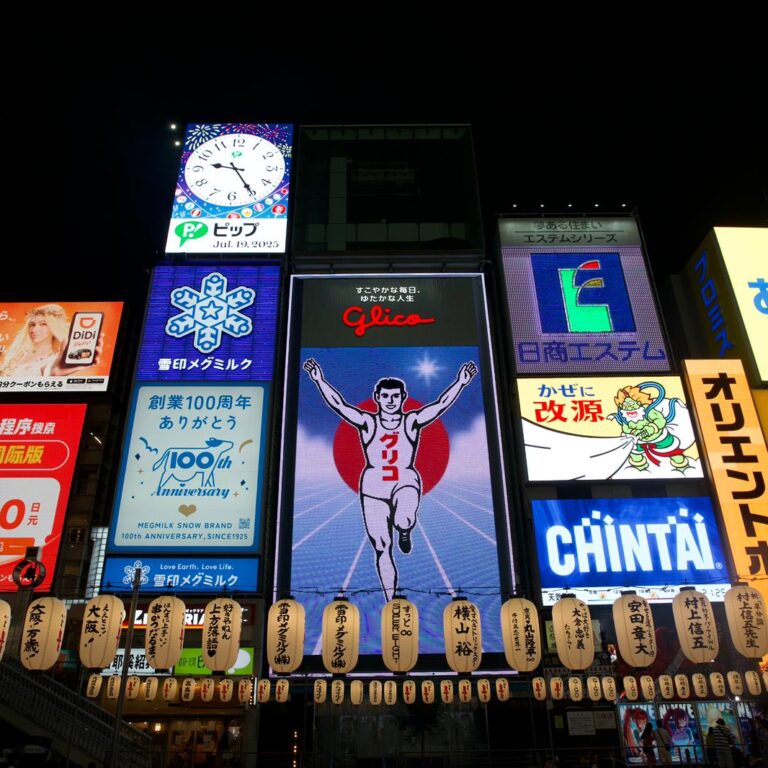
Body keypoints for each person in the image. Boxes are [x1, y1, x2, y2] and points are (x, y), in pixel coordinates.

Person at [304, 358, 477, 600]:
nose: (391, 400)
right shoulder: (368, 422)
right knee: (382, 547)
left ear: (403, 397)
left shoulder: (411, 421)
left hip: (404, 480)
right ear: (378, 398)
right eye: (386, 396)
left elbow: (439, 405)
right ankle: (391, 600)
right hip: (373, 486)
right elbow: (339, 405)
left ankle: (405, 530)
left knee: (404, 518)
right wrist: (319, 380)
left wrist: (460, 383)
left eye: (395, 396)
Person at [0, 304, 101, 378]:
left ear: (54, 327)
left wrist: (52, 373)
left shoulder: (55, 359)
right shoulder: (16, 354)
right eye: (32, 324)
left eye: (43, 324)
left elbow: (51, 372)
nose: (34, 330)